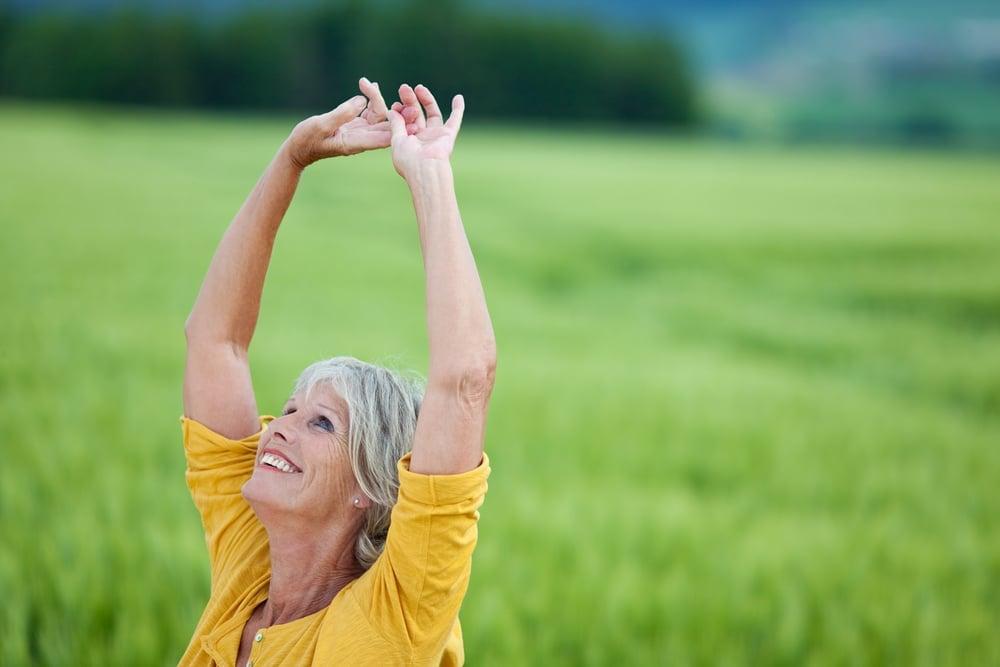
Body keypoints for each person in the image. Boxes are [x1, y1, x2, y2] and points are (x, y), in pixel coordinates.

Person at [178, 77, 496, 666]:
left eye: (321, 424)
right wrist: (292, 157)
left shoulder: (391, 622)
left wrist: (429, 176)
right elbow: (214, 342)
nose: (280, 427)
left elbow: (465, 378)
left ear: (369, 487)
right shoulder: (250, 562)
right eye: (292, 408)